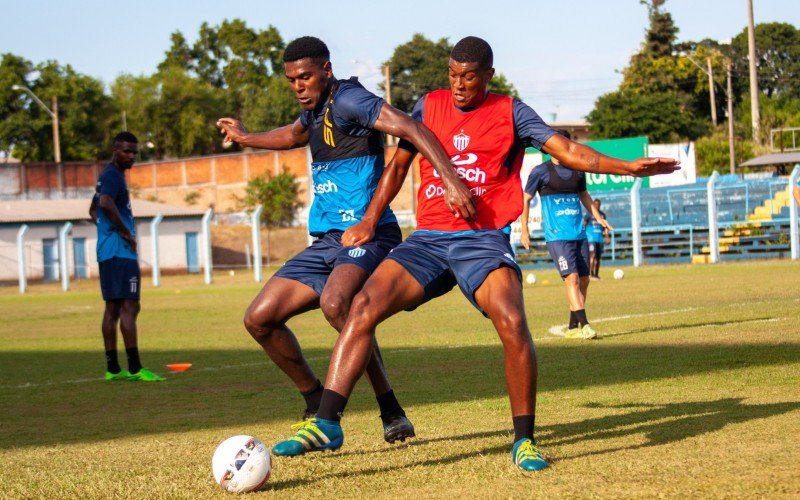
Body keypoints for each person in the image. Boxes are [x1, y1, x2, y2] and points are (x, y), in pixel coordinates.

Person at [273, 36, 679, 471]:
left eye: (468, 77)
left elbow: (568, 150)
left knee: (512, 320)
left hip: (482, 240)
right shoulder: (429, 106)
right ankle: (327, 422)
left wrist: (628, 166)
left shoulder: (512, 112)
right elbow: (397, 168)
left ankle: (524, 441)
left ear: (488, 75)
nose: (459, 85)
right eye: (452, 75)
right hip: (428, 239)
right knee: (362, 306)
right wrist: (370, 220)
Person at [216, 36, 475, 449]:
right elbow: (291, 136)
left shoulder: (351, 99)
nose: (298, 86)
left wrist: (449, 179)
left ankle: (386, 408)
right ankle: (314, 397)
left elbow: (412, 127)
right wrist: (247, 138)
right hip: (327, 240)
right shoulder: (315, 110)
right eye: (291, 80)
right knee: (259, 318)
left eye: (305, 77)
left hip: (370, 234)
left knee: (337, 304)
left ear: (326, 70)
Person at [521, 130, 613, 340]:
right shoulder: (540, 172)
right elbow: (525, 199)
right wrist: (524, 230)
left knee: (584, 280)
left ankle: (572, 326)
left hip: (579, 234)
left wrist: (598, 217)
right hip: (557, 237)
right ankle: (585, 324)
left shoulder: (578, 171)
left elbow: (584, 195)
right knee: (571, 279)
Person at [88, 131, 165, 382]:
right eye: (126, 151)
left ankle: (113, 369)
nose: (131, 156)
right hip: (120, 252)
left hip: (107, 250)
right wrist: (125, 233)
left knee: (113, 308)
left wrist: (106, 230)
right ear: (115, 150)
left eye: (134, 152)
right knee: (130, 306)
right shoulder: (112, 176)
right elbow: (106, 203)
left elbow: (93, 208)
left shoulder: (109, 176)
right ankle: (135, 368)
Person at [584, 198, 611, 280]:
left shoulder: (602, 215)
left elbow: (604, 227)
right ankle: (590, 274)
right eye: (595, 204)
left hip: (599, 239)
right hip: (590, 238)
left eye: (598, 205)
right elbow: (584, 225)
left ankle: (596, 275)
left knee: (598, 257)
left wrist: (607, 236)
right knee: (593, 255)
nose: (597, 206)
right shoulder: (589, 214)